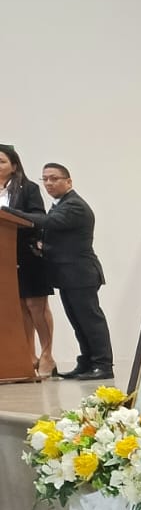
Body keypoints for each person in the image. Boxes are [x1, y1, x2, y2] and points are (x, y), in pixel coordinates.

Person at [3, 163, 112, 381]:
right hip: (67, 276)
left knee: (90, 321)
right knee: (78, 322)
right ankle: (87, 362)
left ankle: (103, 364)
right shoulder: (60, 204)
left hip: (80, 274)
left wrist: (10, 212)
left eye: (54, 178)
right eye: (45, 179)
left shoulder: (74, 205)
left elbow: (49, 221)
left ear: (68, 181)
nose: (49, 183)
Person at [0, 144, 57, 377]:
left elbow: (38, 218)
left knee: (35, 306)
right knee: (18, 307)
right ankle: (28, 355)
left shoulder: (28, 188)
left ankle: (47, 354)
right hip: (4, 258)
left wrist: (12, 215)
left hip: (27, 253)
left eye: (1, 161)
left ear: (14, 166)